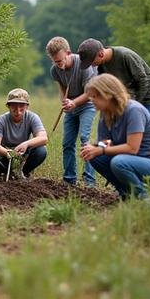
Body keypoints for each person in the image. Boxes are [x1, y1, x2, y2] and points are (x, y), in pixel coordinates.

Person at [80, 74, 150, 200]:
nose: (91, 100)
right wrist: (94, 147)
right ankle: (125, 194)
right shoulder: (105, 114)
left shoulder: (133, 110)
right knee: (95, 157)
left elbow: (132, 148)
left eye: (94, 96)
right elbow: (106, 142)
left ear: (108, 94)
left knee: (118, 162)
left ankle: (142, 198)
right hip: (128, 161)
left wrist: (101, 149)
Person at [77, 38, 150, 127]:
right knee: (130, 133)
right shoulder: (101, 66)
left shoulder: (125, 55)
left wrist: (134, 106)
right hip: (132, 100)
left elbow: (143, 81)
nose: (91, 65)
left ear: (101, 54)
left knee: (146, 135)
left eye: (92, 62)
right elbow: (105, 88)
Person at [46, 37, 98, 187]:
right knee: (67, 143)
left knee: (85, 138)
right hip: (71, 108)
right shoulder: (55, 70)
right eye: (55, 62)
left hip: (87, 105)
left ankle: (90, 181)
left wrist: (74, 102)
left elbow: (90, 93)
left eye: (61, 61)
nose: (59, 65)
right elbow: (62, 89)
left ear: (68, 53)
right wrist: (64, 101)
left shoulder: (83, 65)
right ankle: (69, 180)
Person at [0, 88, 48, 179]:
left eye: (21, 106)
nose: (18, 110)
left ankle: (24, 171)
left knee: (41, 151)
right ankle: (6, 173)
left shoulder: (32, 117)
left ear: (27, 106)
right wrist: (9, 153)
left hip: (24, 152)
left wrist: (26, 143)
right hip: (6, 153)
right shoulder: (1, 120)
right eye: (14, 106)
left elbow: (43, 138)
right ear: (8, 106)